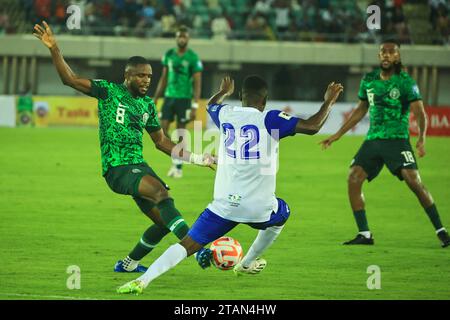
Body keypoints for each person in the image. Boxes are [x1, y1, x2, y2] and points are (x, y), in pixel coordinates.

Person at [116, 75, 344, 295]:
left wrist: (223, 92)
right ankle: (247, 262)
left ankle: (142, 280)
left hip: (223, 206)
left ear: (242, 98)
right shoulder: (271, 119)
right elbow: (313, 126)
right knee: (282, 213)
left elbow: (211, 105)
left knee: (186, 245)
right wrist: (329, 101)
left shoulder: (225, 114)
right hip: (258, 208)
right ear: (263, 101)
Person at [33, 21, 215, 273]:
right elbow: (70, 79)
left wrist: (197, 158)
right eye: (141, 75)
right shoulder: (108, 92)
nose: (146, 80)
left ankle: (129, 264)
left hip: (138, 166)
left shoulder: (148, 105)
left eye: (149, 76)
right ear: (127, 75)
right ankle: (199, 251)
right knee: (163, 195)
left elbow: (161, 142)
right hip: (117, 168)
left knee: (163, 222)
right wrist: (54, 48)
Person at [320, 39, 450, 248]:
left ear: (398, 56)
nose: (386, 55)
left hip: (397, 139)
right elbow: (360, 111)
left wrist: (422, 138)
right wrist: (337, 135)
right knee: (354, 178)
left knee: (413, 181)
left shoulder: (406, 82)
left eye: (391, 52)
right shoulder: (369, 80)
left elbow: (420, 113)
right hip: (373, 140)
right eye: (383, 52)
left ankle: (442, 231)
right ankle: (364, 234)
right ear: (379, 56)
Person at [153, 25, 203, 179]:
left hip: (184, 99)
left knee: (181, 132)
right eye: (179, 36)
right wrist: (156, 98)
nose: (182, 39)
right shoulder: (168, 55)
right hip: (169, 97)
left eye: (184, 36)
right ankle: (176, 154)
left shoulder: (193, 58)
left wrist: (195, 105)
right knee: (162, 129)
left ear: (188, 39)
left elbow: (197, 83)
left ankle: (179, 167)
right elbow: (163, 78)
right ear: (176, 38)